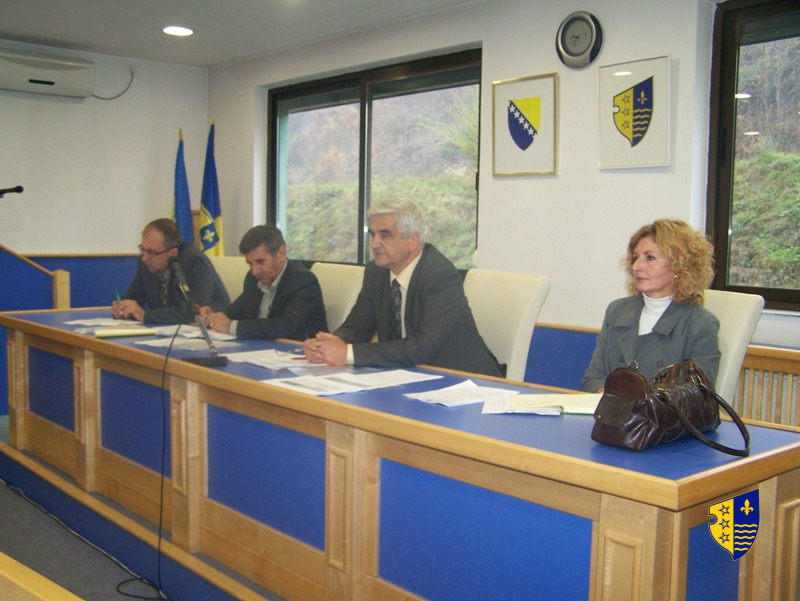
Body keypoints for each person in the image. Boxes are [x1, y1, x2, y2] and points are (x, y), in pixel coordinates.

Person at [303, 198, 503, 377]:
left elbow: (423, 348)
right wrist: (327, 345)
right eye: (372, 235)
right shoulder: (376, 272)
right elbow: (356, 328)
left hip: (463, 380)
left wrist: (346, 353)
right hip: (407, 375)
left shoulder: (439, 275)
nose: (374, 244)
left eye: (385, 235)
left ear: (413, 241)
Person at [581, 219, 720, 393]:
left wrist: (638, 401)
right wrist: (603, 392)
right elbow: (591, 379)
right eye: (635, 257)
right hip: (610, 409)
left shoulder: (701, 324)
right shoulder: (617, 311)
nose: (636, 266)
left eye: (650, 258)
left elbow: (698, 396)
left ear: (679, 266)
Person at [200, 225, 327, 340]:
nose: (255, 271)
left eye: (260, 262)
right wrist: (216, 316)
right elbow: (236, 311)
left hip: (300, 352)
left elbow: (286, 327)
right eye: (250, 264)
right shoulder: (253, 279)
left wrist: (231, 326)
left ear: (281, 253)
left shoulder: (303, 281)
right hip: (264, 350)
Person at [113, 218, 230, 324]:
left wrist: (144, 315)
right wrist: (124, 306)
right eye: (143, 249)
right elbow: (134, 296)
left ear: (172, 253)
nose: (144, 258)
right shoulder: (147, 262)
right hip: (167, 330)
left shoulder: (195, 261)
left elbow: (193, 311)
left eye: (151, 252)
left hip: (211, 330)